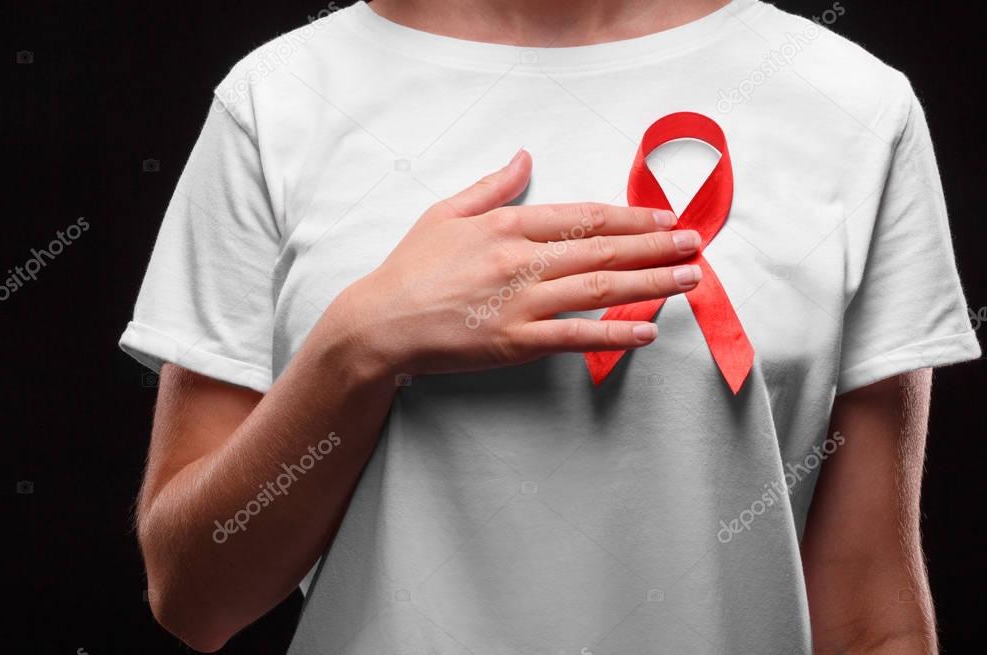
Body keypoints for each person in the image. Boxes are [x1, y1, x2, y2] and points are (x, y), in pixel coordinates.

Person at [119, 0, 980, 652]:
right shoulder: (276, 101)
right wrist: (355, 346)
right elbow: (192, 594)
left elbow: (871, 616)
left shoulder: (855, 106)